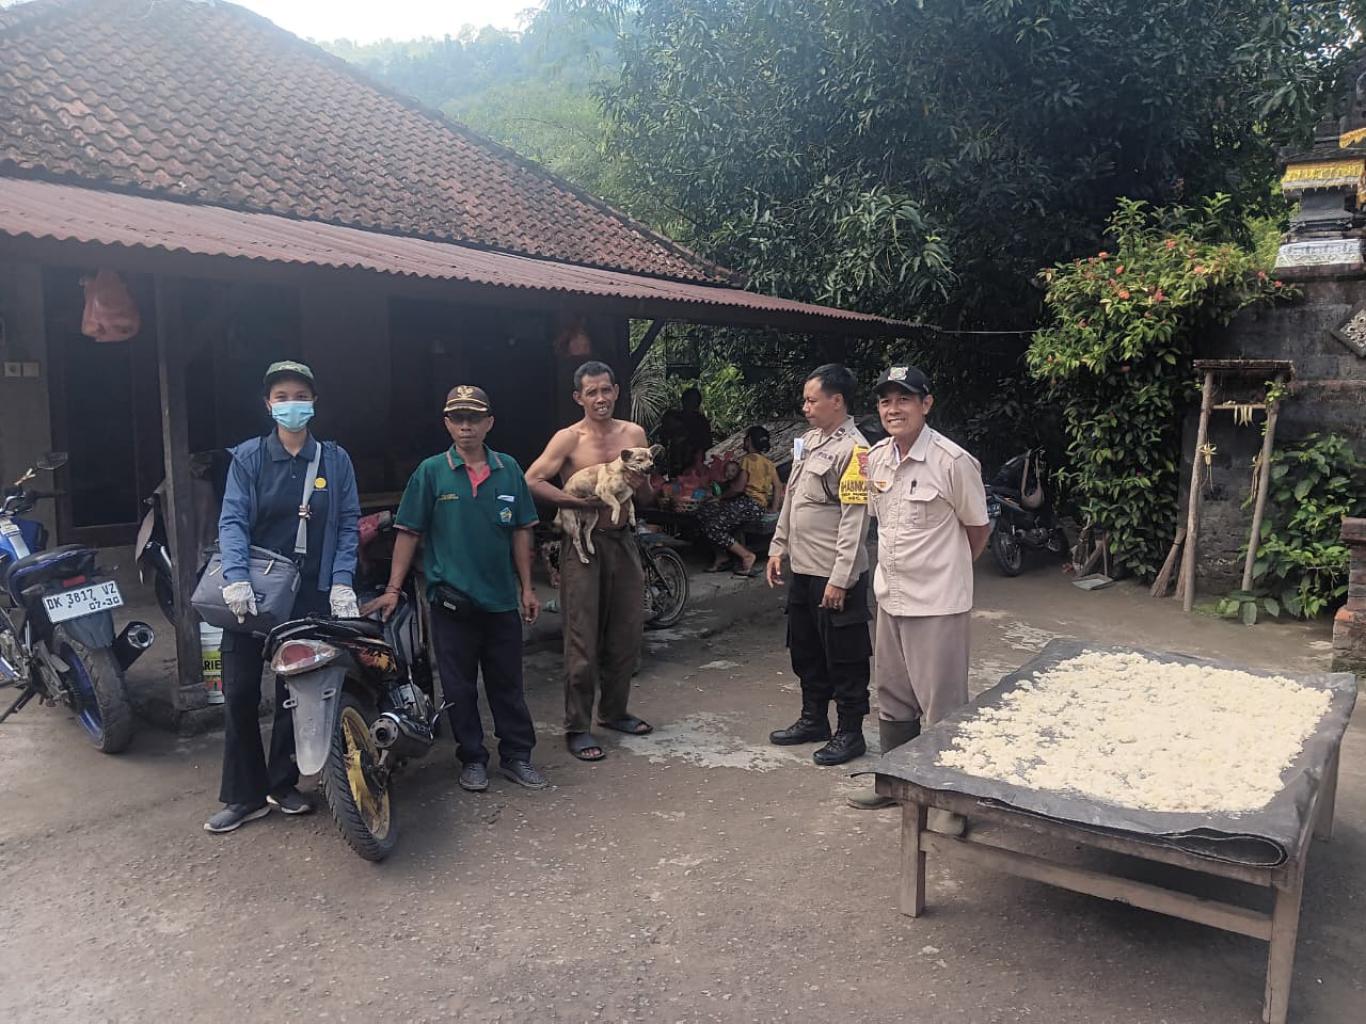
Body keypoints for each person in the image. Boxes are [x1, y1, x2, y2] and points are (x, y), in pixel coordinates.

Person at [363, 386, 547, 793]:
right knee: (458, 687)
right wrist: (393, 588)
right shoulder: (431, 472)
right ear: (447, 424)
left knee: (508, 684)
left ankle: (517, 755)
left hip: (500, 601)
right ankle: (473, 758)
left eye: (474, 418)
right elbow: (409, 532)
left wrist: (527, 588)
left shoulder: (508, 469)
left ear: (489, 423)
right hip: (450, 603)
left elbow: (522, 531)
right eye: (458, 418)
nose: (466, 426)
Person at [205, 360, 361, 834]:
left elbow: (348, 524)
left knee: (298, 690)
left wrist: (342, 581)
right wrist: (235, 578)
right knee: (239, 691)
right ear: (268, 405)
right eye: (282, 397)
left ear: (314, 403)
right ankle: (244, 796)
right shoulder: (248, 458)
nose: (292, 404)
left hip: (309, 592)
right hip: (252, 593)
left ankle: (283, 783)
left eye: (300, 396)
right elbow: (232, 520)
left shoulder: (335, 460)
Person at [847, 364, 991, 832]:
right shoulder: (877, 458)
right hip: (891, 595)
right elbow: (882, 523)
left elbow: (977, 530)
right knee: (892, 696)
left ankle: (951, 801)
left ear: (926, 404)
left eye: (904, 399)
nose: (894, 409)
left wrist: (946, 570)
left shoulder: (952, 461)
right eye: (886, 401)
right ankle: (895, 783)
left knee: (944, 704)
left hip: (938, 602)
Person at [526, 360, 653, 762]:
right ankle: (577, 727)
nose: (600, 398)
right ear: (578, 397)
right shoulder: (568, 439)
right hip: (583, 544)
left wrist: (642, 484)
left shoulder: (633, 435)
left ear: (616, 391)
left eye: (605, 390)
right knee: (582, 636)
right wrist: (575, 502)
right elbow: (532, 479)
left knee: (627, 630)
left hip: (623, 541)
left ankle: (614, 711)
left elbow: (647, 494)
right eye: (591, 392)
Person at [765, 364, 873, 766]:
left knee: (845, 656)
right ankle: (814, 719)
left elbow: (855, 520)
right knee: (805, 648)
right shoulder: (806, 442)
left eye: (812, 400)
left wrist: (841, 578)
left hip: (834, 573)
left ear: (837, 401)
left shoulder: (857, 451)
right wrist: (778, 547)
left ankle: (850, 732)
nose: (805, 407)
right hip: (804, 568)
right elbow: (792, 497)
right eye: (805, 400)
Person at [697, 425, 780, 576]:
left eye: (745, 439)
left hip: (747, 504)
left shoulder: (747, 460)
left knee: (711, 526)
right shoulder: (768, 463)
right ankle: (721, 557)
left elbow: (738, 488)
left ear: (748, 441)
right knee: (706, 512)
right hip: (757, 507)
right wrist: (773, 509)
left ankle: (746, 555)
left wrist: (720, 498)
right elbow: (778, 486)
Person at [659, 386, 713, 477]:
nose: (691, 403)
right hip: (675, 464)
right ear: (683, 401)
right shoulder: (673, 416)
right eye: (689, 400)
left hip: (694, 463)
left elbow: (707, 443)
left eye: (693, 401)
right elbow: (663, 438)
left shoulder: (701, 421)